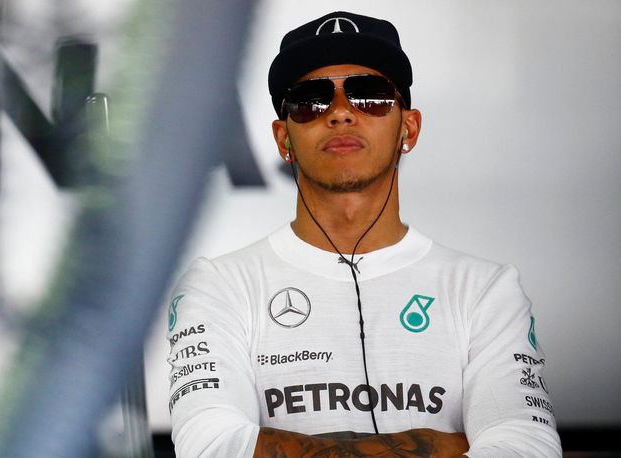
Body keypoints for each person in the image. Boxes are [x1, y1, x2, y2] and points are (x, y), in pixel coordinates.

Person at [167, 11, 561, 457]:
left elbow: (527, 447)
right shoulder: (219, 285)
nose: (340, 113)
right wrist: (442, 445)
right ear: (283, 139)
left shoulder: (485, 289)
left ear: (408, 128)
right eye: (311, 99)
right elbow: (212, 446)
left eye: (369, 95)